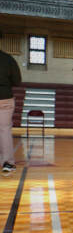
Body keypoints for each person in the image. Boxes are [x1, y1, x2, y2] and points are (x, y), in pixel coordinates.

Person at [0, 37, 22, 173]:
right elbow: (17, 81)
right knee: (5, 130)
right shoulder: (8, 59)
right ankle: (7, 163)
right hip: (5, 98)